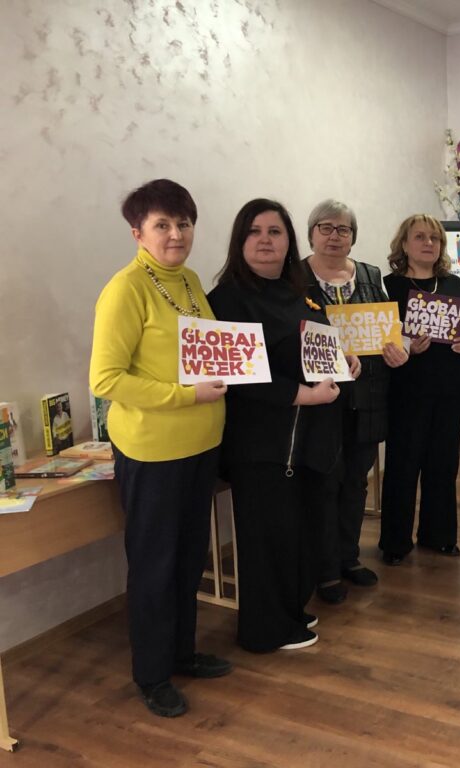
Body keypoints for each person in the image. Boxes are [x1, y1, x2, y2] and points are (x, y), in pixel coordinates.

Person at [89, 179, 230, 718]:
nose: (176, 234)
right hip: (152, 452)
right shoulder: (125, 289)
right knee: (154, 565)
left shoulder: (189, 280)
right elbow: (106, 379)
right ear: (138, 233)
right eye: (163, 225)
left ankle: (182, 653)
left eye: (184, 223)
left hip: (201, 444)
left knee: (190, 556)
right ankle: (152, 674)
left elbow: (207, 352)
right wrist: (185, 395)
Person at [208, 198, 360, 652]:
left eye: (274, 232)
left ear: (289, 241)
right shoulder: (228, 299)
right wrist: (302, 395)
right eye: (254, 232)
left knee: (295, 533)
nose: (265, 241)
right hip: (261, 444)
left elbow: (316, 345)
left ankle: (290, 610)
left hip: (306, 440)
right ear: (239, 241)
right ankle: (265, 630)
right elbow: (240, 375)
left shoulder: (298, 292)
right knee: (266, 538)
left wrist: (343, 359)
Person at [304, 199, 407, 597]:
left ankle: (348, 557)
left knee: (355, 482)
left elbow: (386, 331)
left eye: (343, 229)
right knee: (323, 483)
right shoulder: (295, 277)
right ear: (312, 233)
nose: (334, 236)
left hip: (367, 395)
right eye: (326, 228)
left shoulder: (370, 275)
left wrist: (397, 350)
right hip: (319, 398)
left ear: (353, 236)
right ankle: (324, 567)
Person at [378, 214, 460, 564]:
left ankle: (439, 536)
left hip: (449, 389)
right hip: (406, 391)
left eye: (434, 238)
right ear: (404, 244)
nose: (428, 243)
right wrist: (408, 345)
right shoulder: (388, 287)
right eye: (420, 237)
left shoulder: (455, 285)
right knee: (402, 466)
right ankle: (395, 543)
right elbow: (380, 341)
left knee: (443, 465)